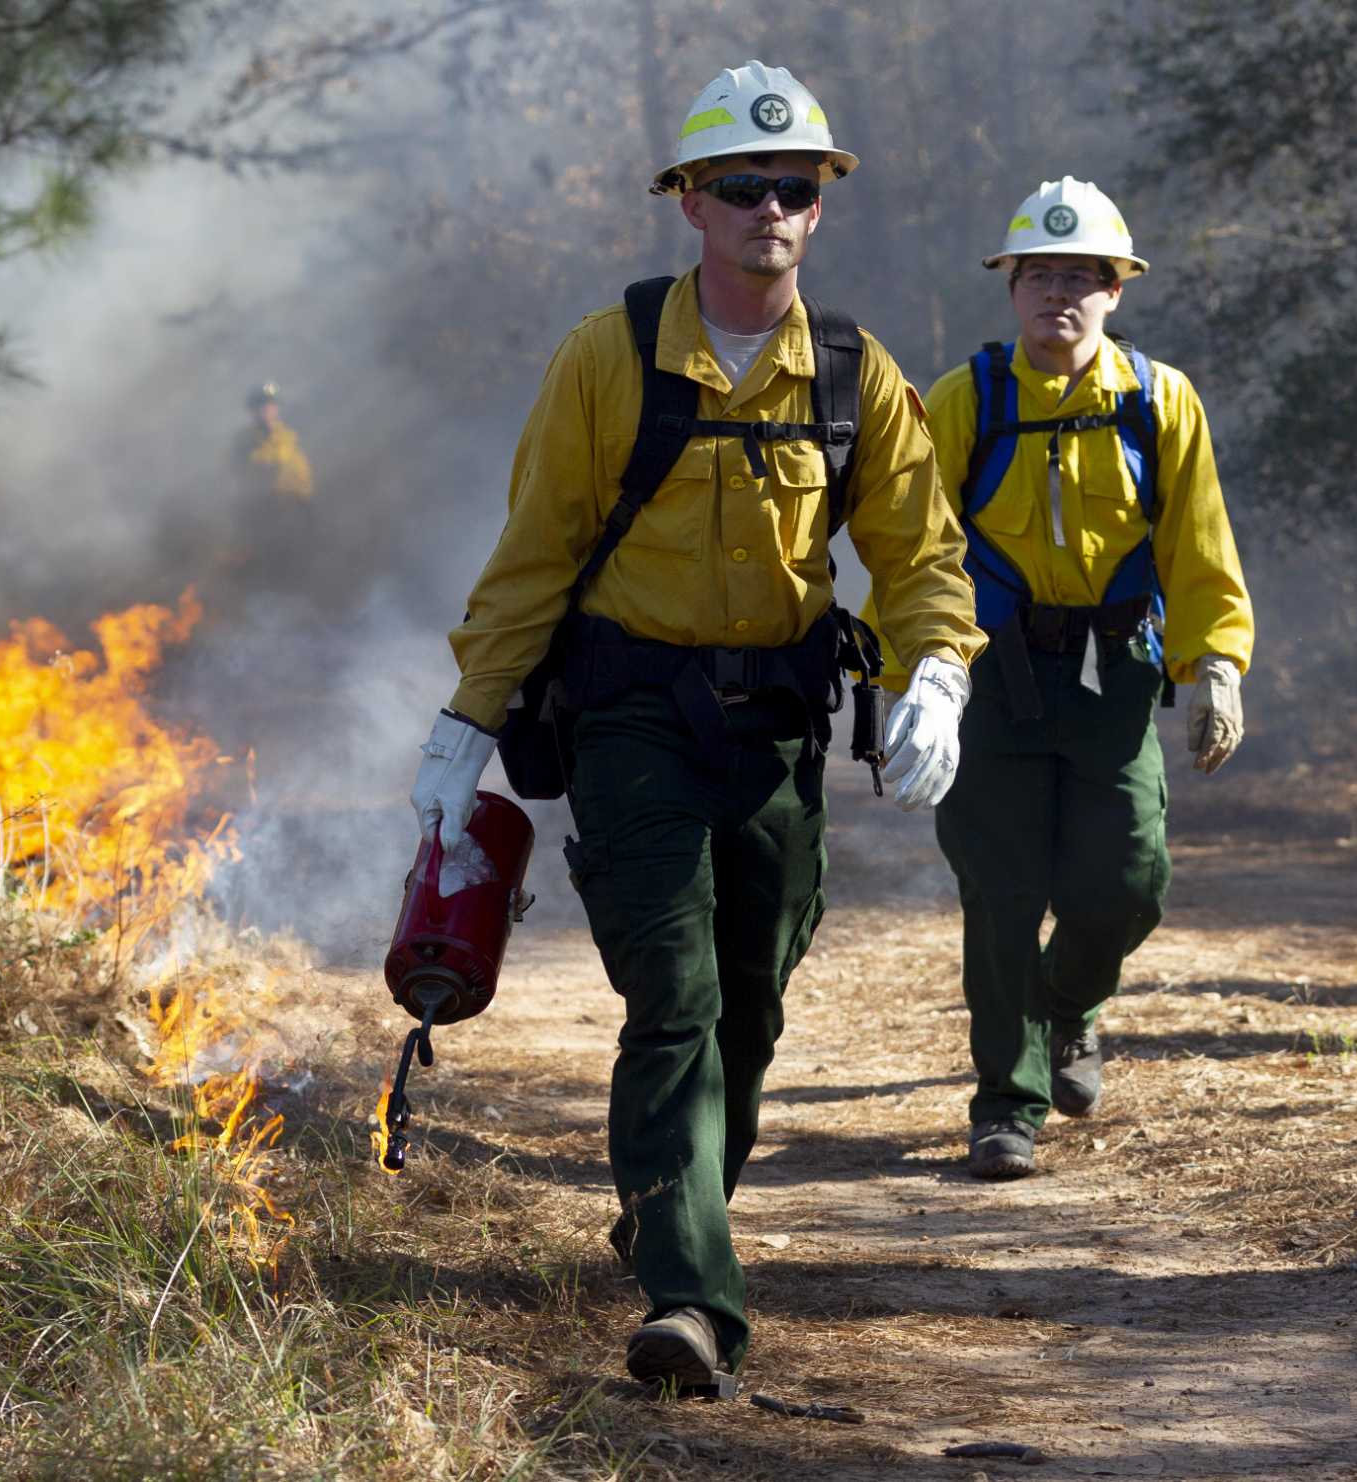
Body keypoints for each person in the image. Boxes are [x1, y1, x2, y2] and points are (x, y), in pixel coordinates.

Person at [407, 62, 984, 1389]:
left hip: (774, 728)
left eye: (797, 188)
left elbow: (920, 550)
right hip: (628, 722)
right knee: (673, 994)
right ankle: (691, 1297)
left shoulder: (852, 373)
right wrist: (465, 721)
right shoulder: (607, 359)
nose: (771, 209)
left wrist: (937, 668)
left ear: (818, 208)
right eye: (743, 187)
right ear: (689, 203)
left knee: (752, 1005)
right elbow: (537, 551)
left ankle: (670, 1207)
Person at [878, 177, 1253, 1180]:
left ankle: (1069, 1006)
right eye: (1039, 274)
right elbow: (910, 547)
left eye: (1081, 277)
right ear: (1009, 288)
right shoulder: (964, 400)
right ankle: (1006, 1101)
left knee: (1126, 883)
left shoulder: (1155, 399)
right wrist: (909, 679)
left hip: (1112, 675)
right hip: (988, 680)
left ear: (1115, 292)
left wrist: (1213, 661)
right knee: (998, 895)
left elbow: (1196, 541)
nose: (1060, 294)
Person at [235, 382, 314, 502]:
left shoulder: (291, 436)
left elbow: (303, 474)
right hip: (261, 505)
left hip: (297, 503)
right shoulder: (243, 441)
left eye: (271, 403)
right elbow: (241, 474)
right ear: (252, 409)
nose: (267, 408)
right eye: (261, 403)